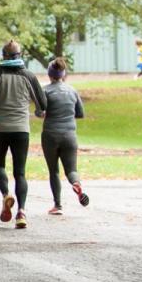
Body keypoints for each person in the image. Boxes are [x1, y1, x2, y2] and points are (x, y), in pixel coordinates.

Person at [0, 40, 47, 230]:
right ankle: (21, 212)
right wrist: (36, 109)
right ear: (20, 55)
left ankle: (5, 195)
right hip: (21, 130)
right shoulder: (28, 75)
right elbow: (43, 103)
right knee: (20, 172)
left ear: (3, 56)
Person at [37, 58, 89, 215]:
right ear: (63, 74)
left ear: (50, 74)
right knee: (71, 169)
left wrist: (44, 112)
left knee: (54, 171)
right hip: (69, 135)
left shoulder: (45, 91)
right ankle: (76, 183)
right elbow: (80, 113)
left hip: (50, 135)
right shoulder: (72, 91)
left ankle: (57, 205)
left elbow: (39, 112)